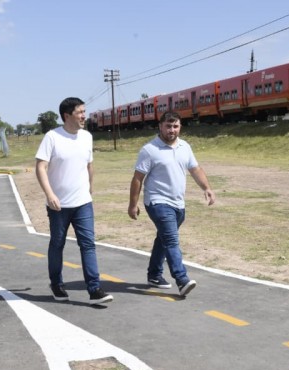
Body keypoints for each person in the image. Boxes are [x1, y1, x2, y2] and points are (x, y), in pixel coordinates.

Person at [35, 97, 113, 305]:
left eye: (84, 112)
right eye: (80, 112)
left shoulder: (87, 137)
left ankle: (95, 288)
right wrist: (50, 194)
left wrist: (90, 188)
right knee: (57, 244)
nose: (83, 116)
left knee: (88, 244)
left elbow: (89, 165)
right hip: (58, 205)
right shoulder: (52, 137)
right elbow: (40, 167)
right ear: (67, 115)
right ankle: (56, 283)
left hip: (83, 203)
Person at [128, 111, 215, 297]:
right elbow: (137, 179)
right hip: (157, 202)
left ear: (180, 127)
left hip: (178, 203)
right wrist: (133, 204)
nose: (172, 130)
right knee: (171, 240)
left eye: (175, 126)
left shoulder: (185, 147)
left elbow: (195, 169)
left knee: (164, 239)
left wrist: (206, 188)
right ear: (160, 126)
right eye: (168, 126)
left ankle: (154, 275)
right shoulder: (149, 149)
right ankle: (181, 279)